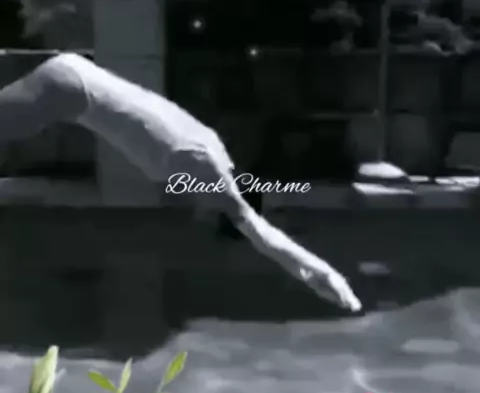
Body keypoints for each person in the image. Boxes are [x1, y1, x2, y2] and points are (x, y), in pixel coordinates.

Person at [0, 53, 361, 312]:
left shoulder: (215, 153)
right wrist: (328, 279)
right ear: (217, 206)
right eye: (209, 217)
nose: (196, 215)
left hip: (76, 79)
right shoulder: (205, 172)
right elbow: (264, 236)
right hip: (69, 89)